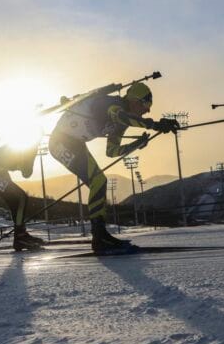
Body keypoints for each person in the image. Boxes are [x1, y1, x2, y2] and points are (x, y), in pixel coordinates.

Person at [49, 82, 179, 253]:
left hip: (74, 143)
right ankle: (99, 237)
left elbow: (112, 151)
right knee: (98, 181)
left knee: (99, 182)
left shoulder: (122, 122)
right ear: (134, 100)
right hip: (61, 142)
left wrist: (135, 144)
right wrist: (154, 124)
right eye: (146, 105)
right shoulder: (111, 103)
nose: (147, 110)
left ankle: (100, 235)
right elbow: (120, 116)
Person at [0, 143, 46, 251]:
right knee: (22, 198)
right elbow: (26, 173)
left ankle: (20, 236)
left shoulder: (20, 146)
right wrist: (32, 154)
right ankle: (20, 236)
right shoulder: (26, 149)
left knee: (16, 202)